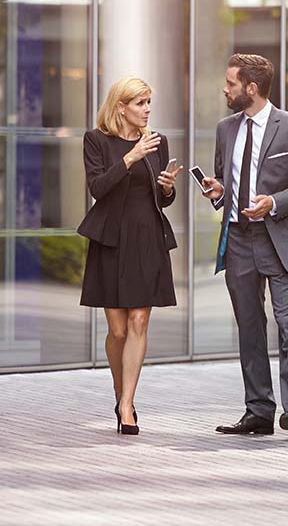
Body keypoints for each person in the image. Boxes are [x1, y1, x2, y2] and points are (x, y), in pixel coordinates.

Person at [199, 54, 288, 439]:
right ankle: (258, 411)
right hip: (237, 240)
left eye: (231, 83)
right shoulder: (225, 129)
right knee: (249, 326)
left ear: (251, 88)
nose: (225, 89)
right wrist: (219, 192)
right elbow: (226, 180)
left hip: (280, 238)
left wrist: (274, 202)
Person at [77, 76, 181, 436]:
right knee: (118, 330)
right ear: (121, 106)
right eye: (140, 103)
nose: (147, 109)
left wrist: (167, 188)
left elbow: (160, 198)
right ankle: (120, 392)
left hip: (147, 238)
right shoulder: (96, 140)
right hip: (111, 239)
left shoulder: (158, 142)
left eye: (149, 102)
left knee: (139, 321)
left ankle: (127, 406)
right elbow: (97, 189)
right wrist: (130, 157)